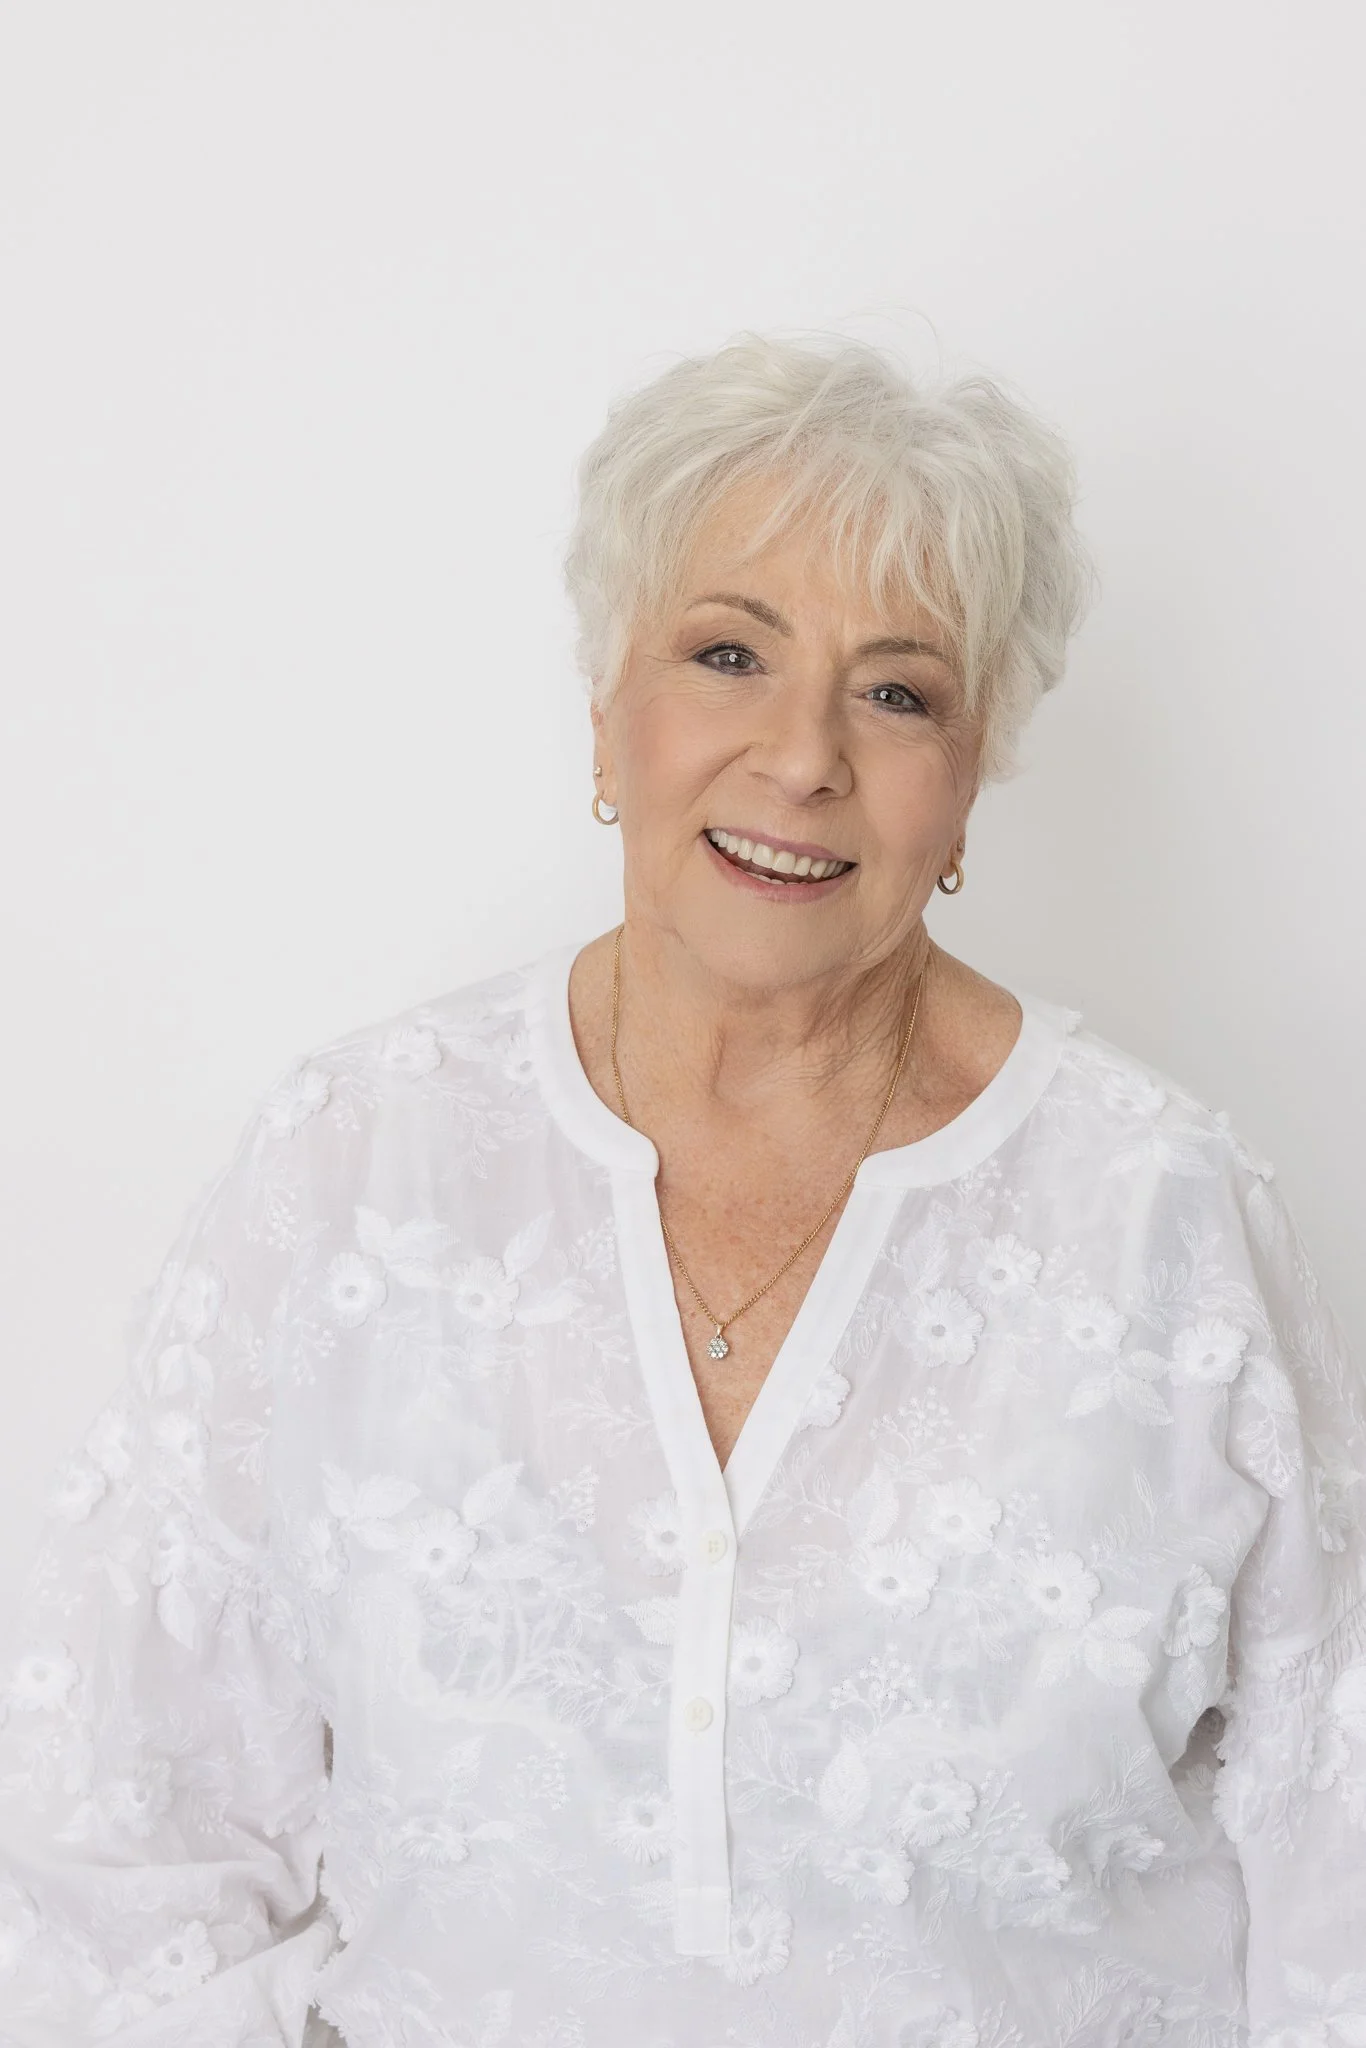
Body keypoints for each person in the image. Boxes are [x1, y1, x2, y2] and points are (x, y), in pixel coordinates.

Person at [1, 330, 1362, 2048]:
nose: (801, 758)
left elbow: (1336, 1876)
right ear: (606, 715)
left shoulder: (1161, 1213)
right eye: (729, 654)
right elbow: (120, 1852)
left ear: (968, 780)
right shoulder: (352, 1168)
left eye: (895, 690)